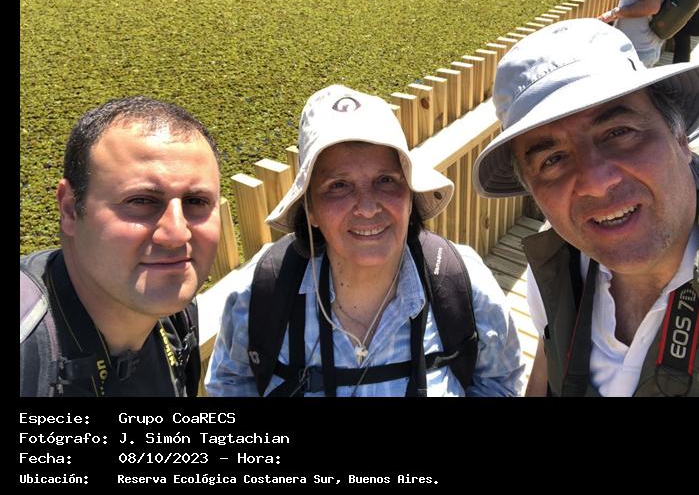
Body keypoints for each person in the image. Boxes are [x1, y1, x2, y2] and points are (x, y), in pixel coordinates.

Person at [473, 19, 699, 396]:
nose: (596, 181)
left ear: (681, 138)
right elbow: (549, 363)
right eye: (553, 159)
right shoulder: (558, 266)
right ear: (534, 192)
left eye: (618, 132)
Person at [205, 84, 523, 397]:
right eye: (339, 185)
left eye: (385, 180)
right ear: (310, 209)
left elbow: (499, 383)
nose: (368, 208)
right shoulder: (257, 295)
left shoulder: (465, 284)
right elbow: (230, 386)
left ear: (410, 195)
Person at [20, 97, 222, 397]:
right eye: (140, 201)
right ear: (70, 209)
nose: (177, 234)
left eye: (196, 201)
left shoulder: (178, 320)